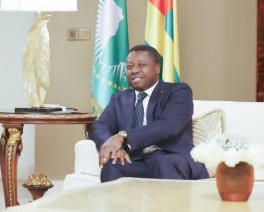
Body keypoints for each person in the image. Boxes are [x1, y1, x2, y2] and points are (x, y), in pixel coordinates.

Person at [89, 44, 209, 183]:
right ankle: (115, 205)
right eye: (129, 67)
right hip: (134, 159)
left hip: (170, 157)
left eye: (142, 65)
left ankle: (168, 206)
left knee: (162, 161)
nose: (134, 70)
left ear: (157, 68)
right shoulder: (119, 99)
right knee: (113, 165)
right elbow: (100, 126)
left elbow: (169, 125)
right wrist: (113, 146)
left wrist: (125, 137)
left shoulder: (178, 91)